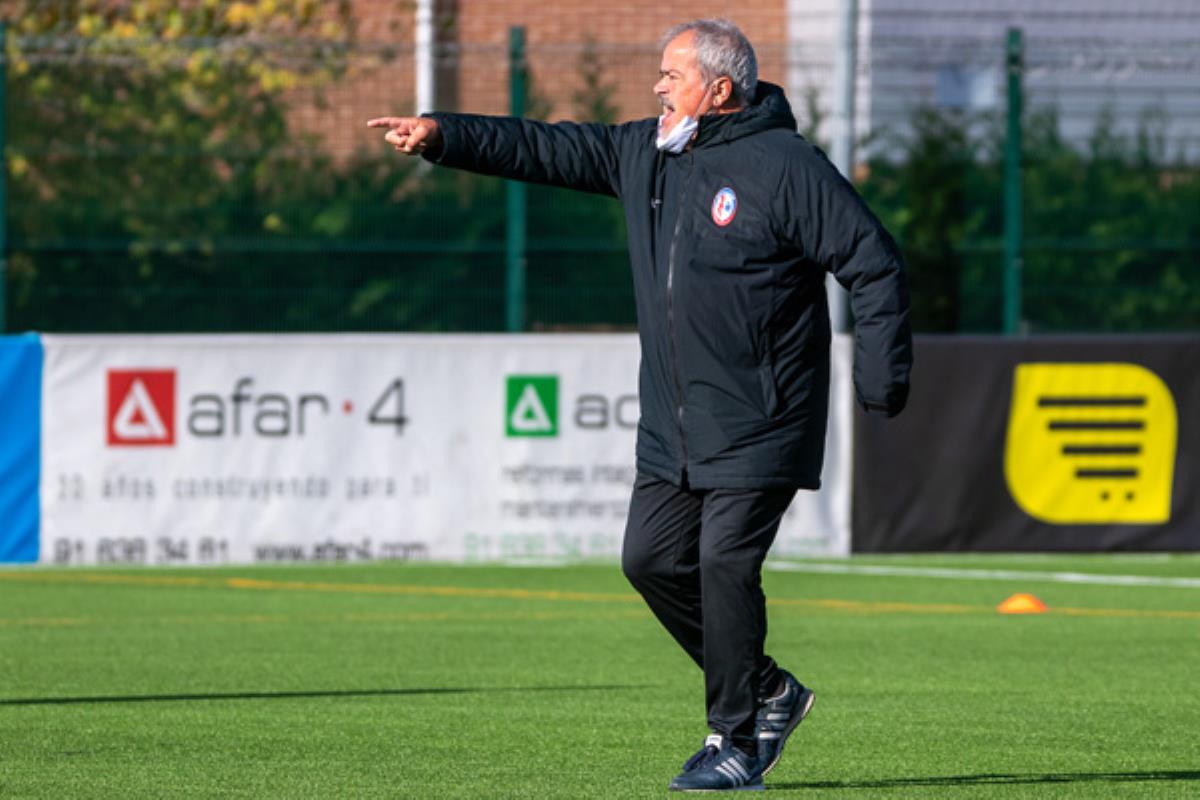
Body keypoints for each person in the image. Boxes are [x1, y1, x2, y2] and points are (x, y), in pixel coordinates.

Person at [369, 18, 911, 792]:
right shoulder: (647, 153)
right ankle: (769, 691)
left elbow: (873, 260)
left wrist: (882, 379)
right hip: (673, 426)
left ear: (718, 90)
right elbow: (545, 148)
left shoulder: (787, 167)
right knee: (650, 559)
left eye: (671, 75)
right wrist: (442, 135)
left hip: (763, 416)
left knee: (724, 562)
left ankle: (735, 741)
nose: (657, 86)